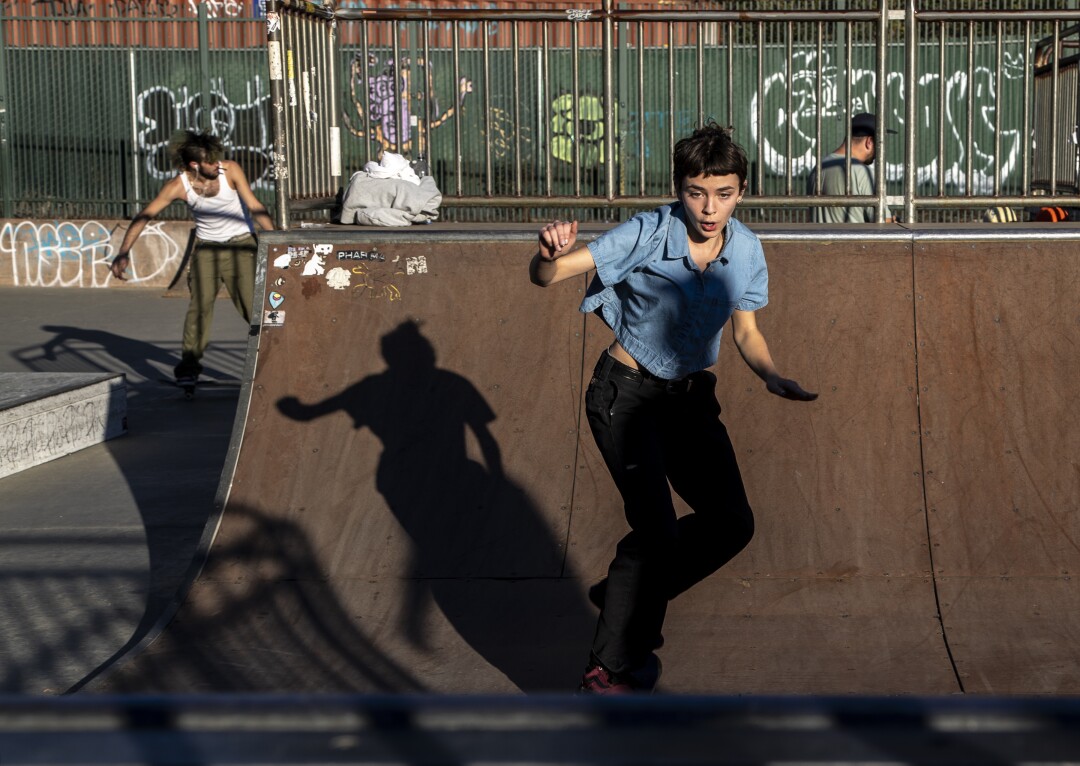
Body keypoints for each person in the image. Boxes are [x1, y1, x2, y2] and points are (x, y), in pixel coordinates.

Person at [529, 123, 817, 694]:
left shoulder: (748, 251)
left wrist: (771, 376)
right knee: (657, 531)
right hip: (626, 396)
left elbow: (747, 331)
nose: (710, 208)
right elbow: (551, 275)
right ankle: (609, 667)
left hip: (687, 400)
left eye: (725, 193)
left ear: (741, 191)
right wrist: (546, 254)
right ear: (680, 188)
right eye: (696, 192)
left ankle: (626, 595)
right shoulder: (647, 232)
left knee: (732, 522)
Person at [110, 130, 274, 386]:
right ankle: (189, 367)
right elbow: (145, 216)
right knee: (200, 308)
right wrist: (123, 251)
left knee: (252, 308)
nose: (217, 166)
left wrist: (276, 240)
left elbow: (254, 205)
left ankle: (275, 357)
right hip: (207, 249)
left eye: (217, 160)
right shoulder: (178, 186)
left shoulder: (230, 170)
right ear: (194, 165)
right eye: (210, 163)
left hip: (242, 245)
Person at [807, 112, 894, 223]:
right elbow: (884, 224)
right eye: (880, 144)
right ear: (870, 142)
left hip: (819, 239)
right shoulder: (863, 173)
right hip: (852, 240)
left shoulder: (819, 167)